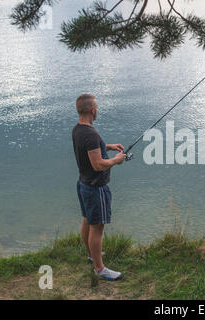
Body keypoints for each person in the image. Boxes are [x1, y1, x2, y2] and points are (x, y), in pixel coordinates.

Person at [72, 93, 126, 281]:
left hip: (83, 184)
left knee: (87, 220)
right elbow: (97, 164)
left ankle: (91, 255)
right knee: (98, 228)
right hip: (96, 188)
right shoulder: (91, 134)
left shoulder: (78, 130)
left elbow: (90, 150)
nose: (98, 110)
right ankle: (100, 268)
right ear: (92, 110)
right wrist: (116, 160)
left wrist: (108, 146)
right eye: (97, 107)